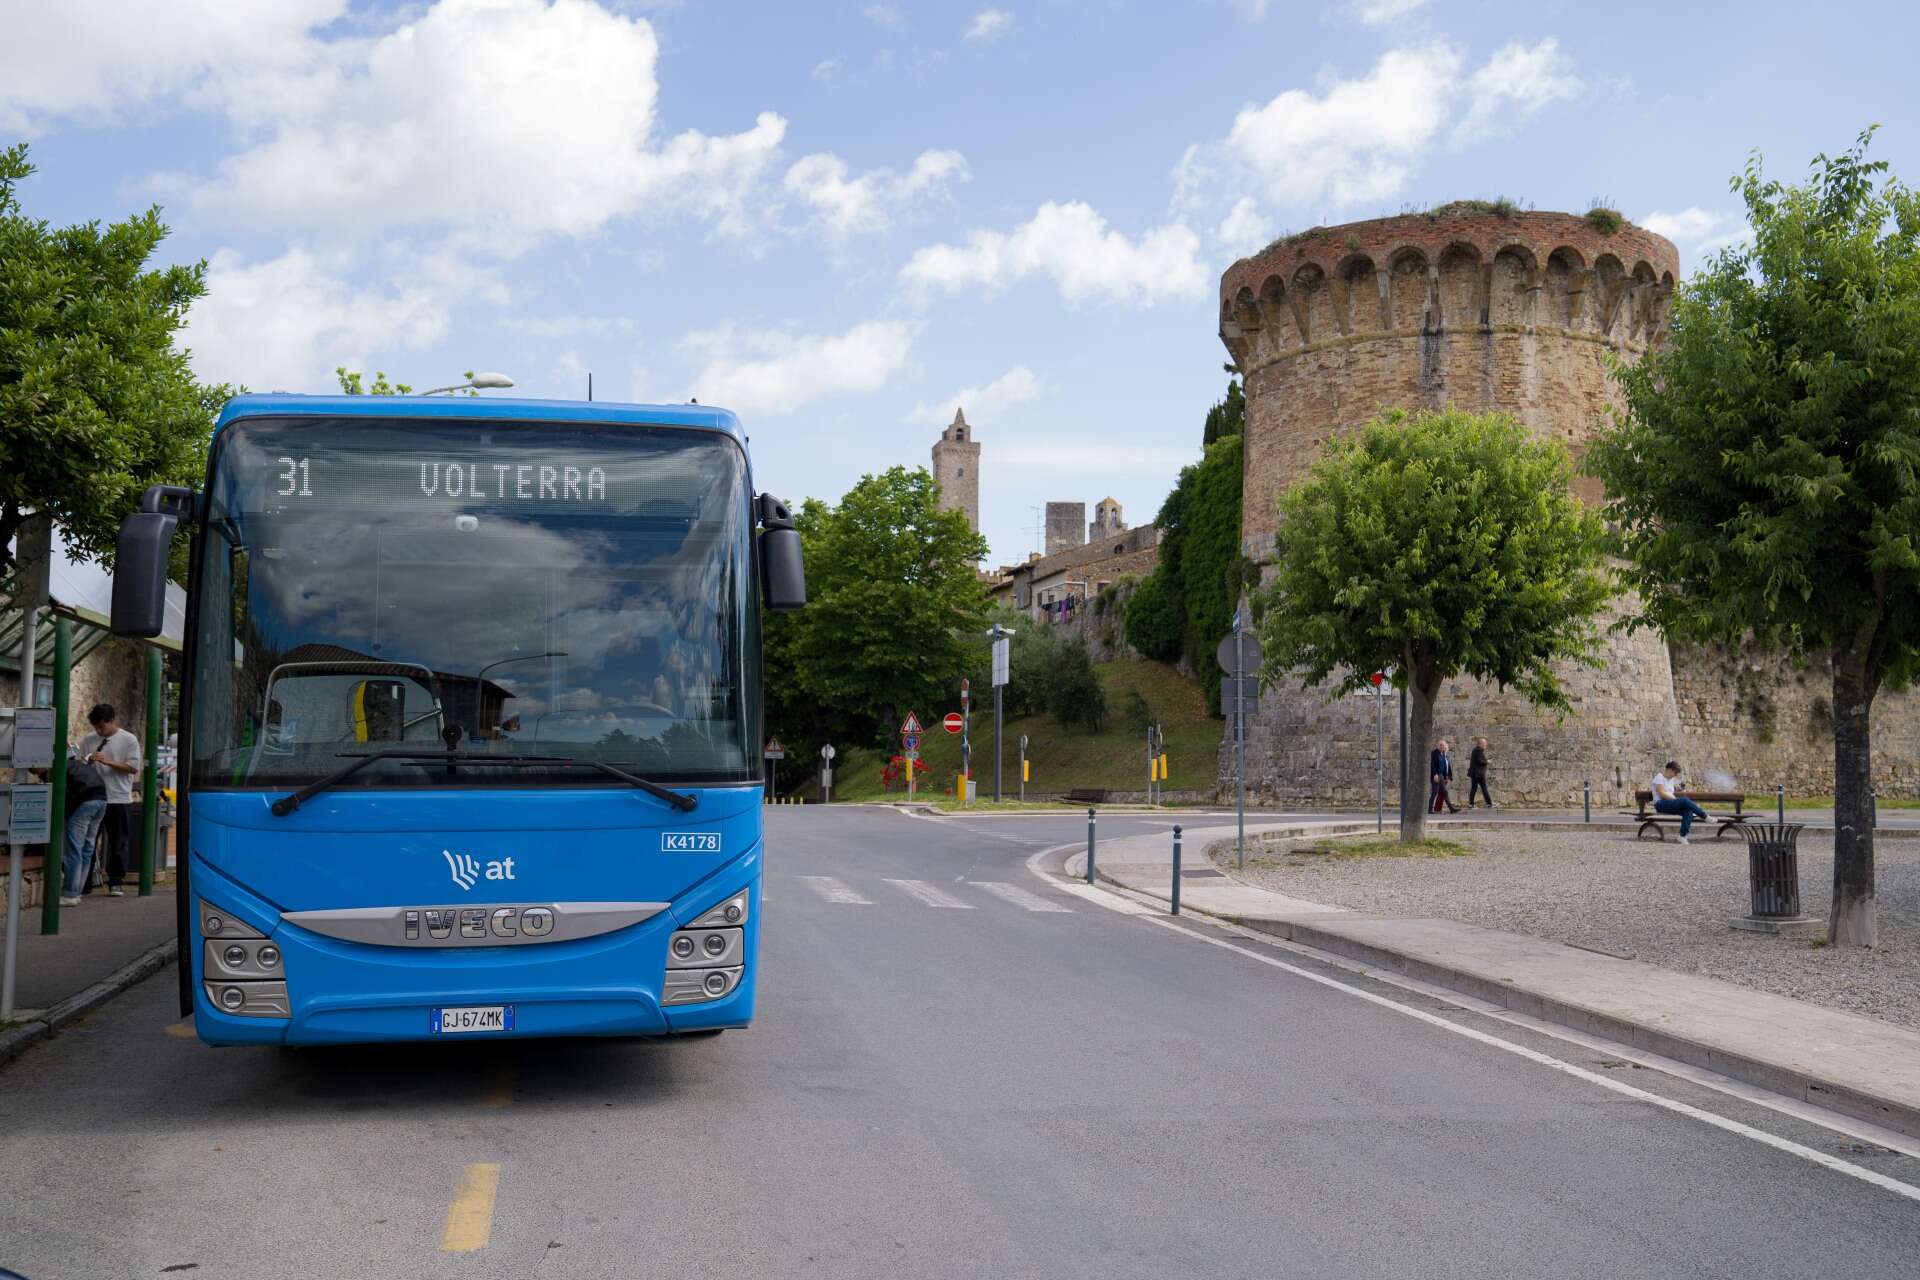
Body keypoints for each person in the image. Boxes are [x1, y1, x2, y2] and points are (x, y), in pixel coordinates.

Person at [77, 704, 142, 897]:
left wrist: (107, 761)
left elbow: (133, 768)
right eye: (96, 727)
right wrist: (88, 762)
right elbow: (79, 763)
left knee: (118, 842)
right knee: (88, 841)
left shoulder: (129, 739)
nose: (98, 731)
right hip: (93, 796)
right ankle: (84, 882)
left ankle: (115, 881)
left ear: (112, 721)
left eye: (102, 727)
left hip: (118, 798)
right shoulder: (89, 739)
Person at [60, 750, 108, 905]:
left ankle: (70, 893)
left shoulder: (57, 769)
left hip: (85, 802)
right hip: (102, 799)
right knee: (87, 848)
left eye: (34, 770)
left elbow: (62, 798)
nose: (34, 773)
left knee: (74, 848)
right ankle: (77, 892)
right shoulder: (77, 764)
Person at [1651, 760, 1709, 844]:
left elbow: (1669, 789)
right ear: (1669, 770)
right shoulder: (1659, 777)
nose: (1675, 775)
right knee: (1684, 800)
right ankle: (1704, 815)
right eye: (1674, 773)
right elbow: (1662, 793)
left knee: (1688, 810)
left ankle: (1682, 836)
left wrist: (1676, 788)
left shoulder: (1671, 779)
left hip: (1669, 804)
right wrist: (1675, 800)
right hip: (1660, 804)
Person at [1429, 738, 1458, 814]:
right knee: (1435, 792)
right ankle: (1430, 809)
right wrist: (1435, 774)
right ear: (1438, 746)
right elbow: (1432, 765)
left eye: (1443, 745)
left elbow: (1447, 767)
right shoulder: (1434, 753)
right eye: (1440, 745)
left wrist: (1447, 777)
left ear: (1446, 746)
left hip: (1442, 776)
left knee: (1444, 792)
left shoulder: (1444, 755)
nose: (1442, 746)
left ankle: (1451, 809)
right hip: (1437, 776)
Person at [1467, 737, 1494, 809]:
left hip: (1476, 773)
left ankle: (1471, 804)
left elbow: (1478, 760)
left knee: (1475, 788)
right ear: (1480, 744)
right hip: (1478, 774)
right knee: (1482, 788)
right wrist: (1487, 761)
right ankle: (1489, 803)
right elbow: (1479, 761)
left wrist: (1485, 761)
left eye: (1486, 743)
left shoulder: (1477, 750)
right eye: (1484, 743)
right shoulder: (1478, 750)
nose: (1486, 745)